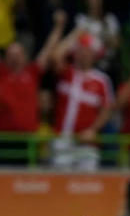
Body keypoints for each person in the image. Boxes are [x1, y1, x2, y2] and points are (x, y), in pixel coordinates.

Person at [0, 8, 65, 164]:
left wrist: (58, 27)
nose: (14, 58)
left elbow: (47, 49)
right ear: (5, 58)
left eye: (18, 54)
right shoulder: (0, 74)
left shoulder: (32, 73)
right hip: (3, 141)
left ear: (25, 57)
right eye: (11, 55)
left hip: (28, 140)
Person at [49, 30, 114, 171]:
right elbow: (54, 56)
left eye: (87, 52)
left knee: (87, 184)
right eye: (81, 51)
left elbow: (106, 110)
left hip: (87, 142)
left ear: (94, 55)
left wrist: (93, 131)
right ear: (75, 53)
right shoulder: (66, 73)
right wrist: (75, 34)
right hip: (62, 139)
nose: (84, 54)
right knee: (60, 181)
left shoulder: (102, 80)